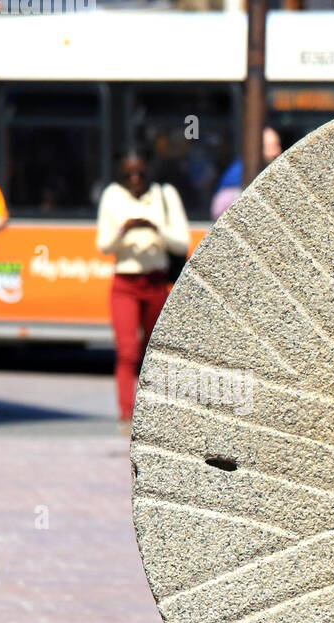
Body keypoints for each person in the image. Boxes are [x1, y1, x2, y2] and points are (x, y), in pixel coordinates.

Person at [96, 151, 189, 429]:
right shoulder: (112, 195)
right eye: (128, 175)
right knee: (127, 352)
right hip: (125, 282)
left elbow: (181, 244)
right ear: (120, 176)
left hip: (156, 282)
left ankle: (158, 411)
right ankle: (127, 414)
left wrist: (155, 227)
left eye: (140, 174)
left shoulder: (165, 194)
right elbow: (103, 245)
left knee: (156, 351)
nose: (135, 179)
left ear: (150, 172)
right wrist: (125, 229)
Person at [211, 127, 282, 219]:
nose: (277, 151)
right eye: (273, 146)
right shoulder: (245, 169)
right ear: (260, 148)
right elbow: (221, 203)